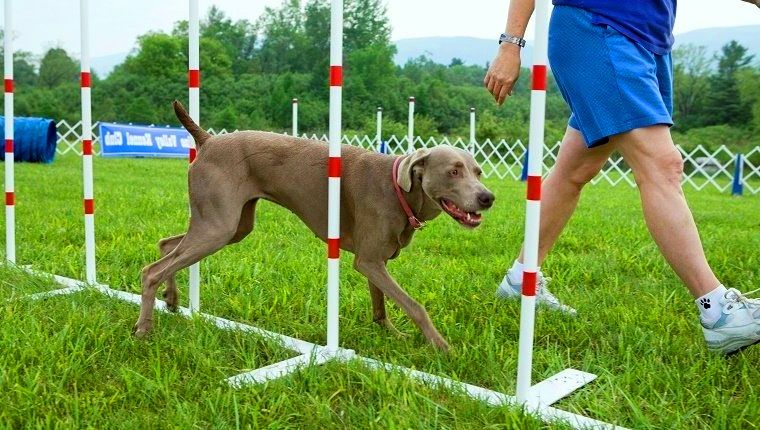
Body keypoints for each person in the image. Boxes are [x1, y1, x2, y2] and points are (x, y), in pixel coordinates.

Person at [483, 0, 760, 354]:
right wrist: (511, 43)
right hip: (599, 28)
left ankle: (521, 279)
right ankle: (719, 314)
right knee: (663, 165)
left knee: (576, 169)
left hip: (650, 40)